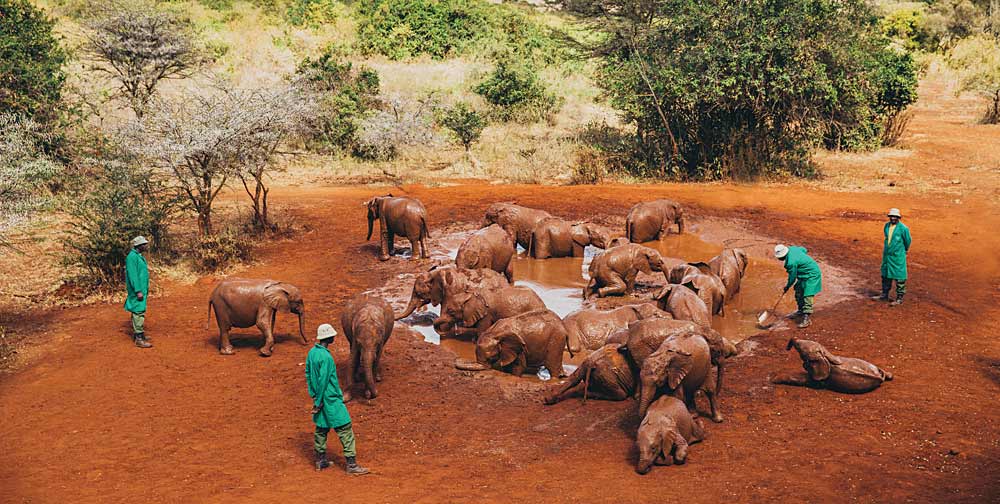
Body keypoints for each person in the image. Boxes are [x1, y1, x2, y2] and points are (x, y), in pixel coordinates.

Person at [305, 324, 370, 475]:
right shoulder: (326, 357)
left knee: (321, 429)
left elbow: (308, 375)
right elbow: (323, 380)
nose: (334, 337)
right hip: (330, 399)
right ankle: (352, 466)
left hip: (319, 398)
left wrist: (314, 396)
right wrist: (320, 400)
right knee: (345, 429)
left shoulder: (312, 353)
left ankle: (320, 461)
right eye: (332, 335)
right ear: (328, 337)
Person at [774, 244, 822, 329]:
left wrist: (787, 286)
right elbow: (804, 249)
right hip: (803, 274)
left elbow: (792, 277)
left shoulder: (791, 263)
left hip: (812, 274)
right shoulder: (793, 248)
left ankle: (806, 319)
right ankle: (800, 311)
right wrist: (802, 260)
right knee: (798, 291)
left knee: (808, 294)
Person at [872, 208, 911, 306]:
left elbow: (908, 241)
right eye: (891, 216)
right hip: (887, 255)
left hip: (898, 256)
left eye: (895, 217)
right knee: (885, 275)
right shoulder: (886, 226)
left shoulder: (903, 229)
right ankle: (884, 294)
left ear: (898, 218)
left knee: (900, 277)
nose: (893, 218)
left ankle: (899, 298)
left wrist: (902, 251)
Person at [124, 236, 152, 348]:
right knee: (138, 311)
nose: (146, 246)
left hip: (141, 288)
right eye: (144, 244)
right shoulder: (132, 258)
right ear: (138, 246)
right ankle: (139, 338)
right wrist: (138, 291)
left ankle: (139, 334)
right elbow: (133, 275)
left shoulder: (137, 256)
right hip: (137, 290)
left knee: (138, 310)